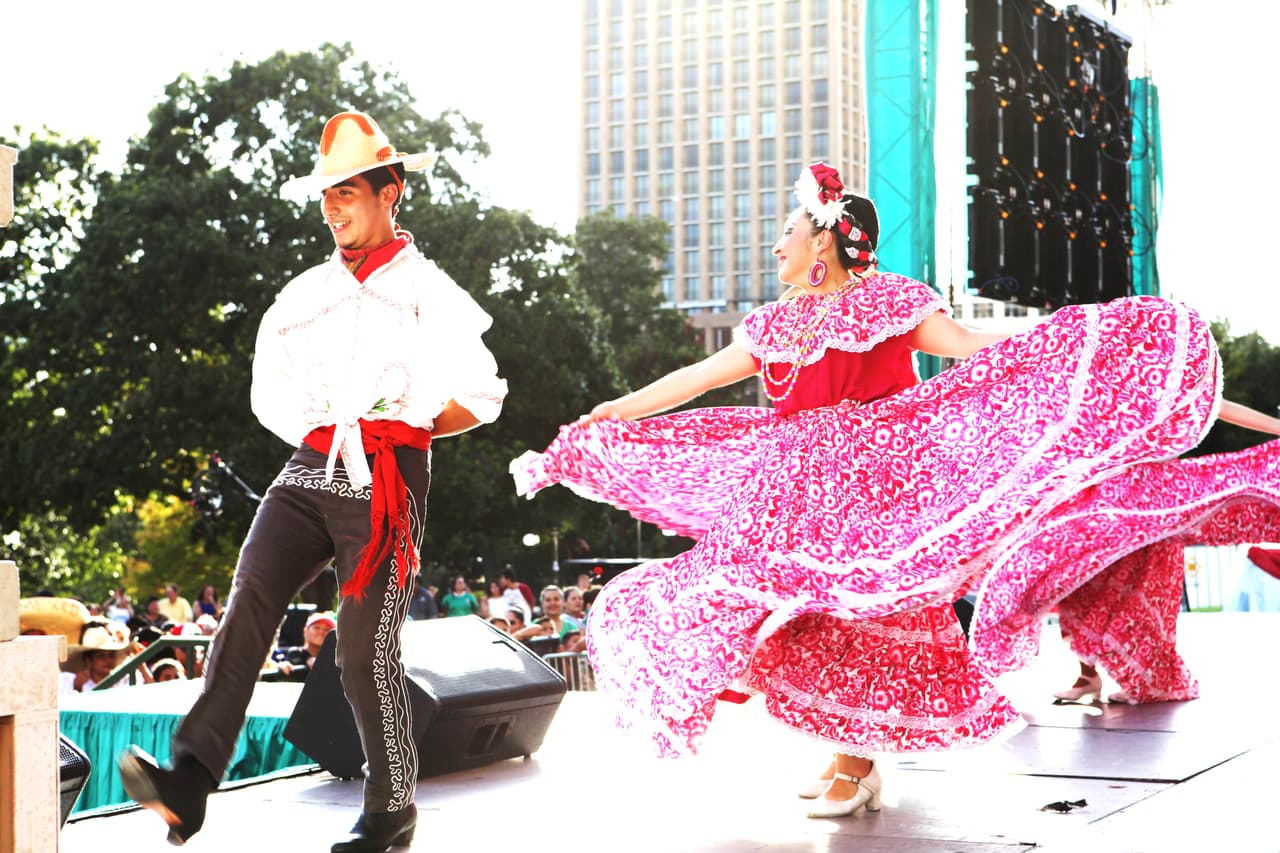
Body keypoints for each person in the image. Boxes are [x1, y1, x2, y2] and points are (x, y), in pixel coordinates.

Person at [512, 161, 1280, 818]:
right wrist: (620, 407)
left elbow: (972, 346)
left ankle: (857, 759)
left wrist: (1075, 335)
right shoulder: (774, 324)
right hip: (796, 494)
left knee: (865, 617)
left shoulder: (889, 303)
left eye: (787, 230)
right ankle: (855, 758)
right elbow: (697, 377)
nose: (776, 244)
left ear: (821, 239)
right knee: (765, 608)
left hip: (883, 487)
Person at [118, 110, 507, 851]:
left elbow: (484, 393)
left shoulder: (432, 291)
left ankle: (392, 807)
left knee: (362, 652)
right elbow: (274, 392)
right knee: (250, 595)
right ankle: (191, 781)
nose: (331, 206)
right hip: (312, 462)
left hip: (390, 474)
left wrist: (413, 430)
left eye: (347, 191)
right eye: (324, 195)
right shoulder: (304, 295)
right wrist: (327, 429)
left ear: (390, 192)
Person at [59, 619, 132, 693]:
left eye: (111, 655)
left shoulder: (124, 679)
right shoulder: (68, 680)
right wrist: (77, 687)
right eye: (101, 656)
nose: (108, 660)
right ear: (88, 660)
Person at [271, 611, 336, 682]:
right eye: (316, 627)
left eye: (327, 629)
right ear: (305, 631)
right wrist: (280, 668)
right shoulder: (295, 653)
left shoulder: (336, 659)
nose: (321, 632)